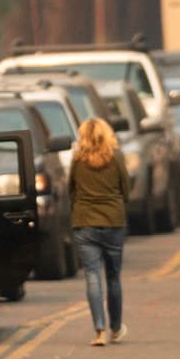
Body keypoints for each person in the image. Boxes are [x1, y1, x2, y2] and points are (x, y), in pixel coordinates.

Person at [69, 116, 131, 347]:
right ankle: (116, 328)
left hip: (84, 222)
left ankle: (99, 330)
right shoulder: (116, 157)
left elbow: (70, 189)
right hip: (113, 221)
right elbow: (126, 187)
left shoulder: (78, 159)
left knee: (92, 276)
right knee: (113, 276)